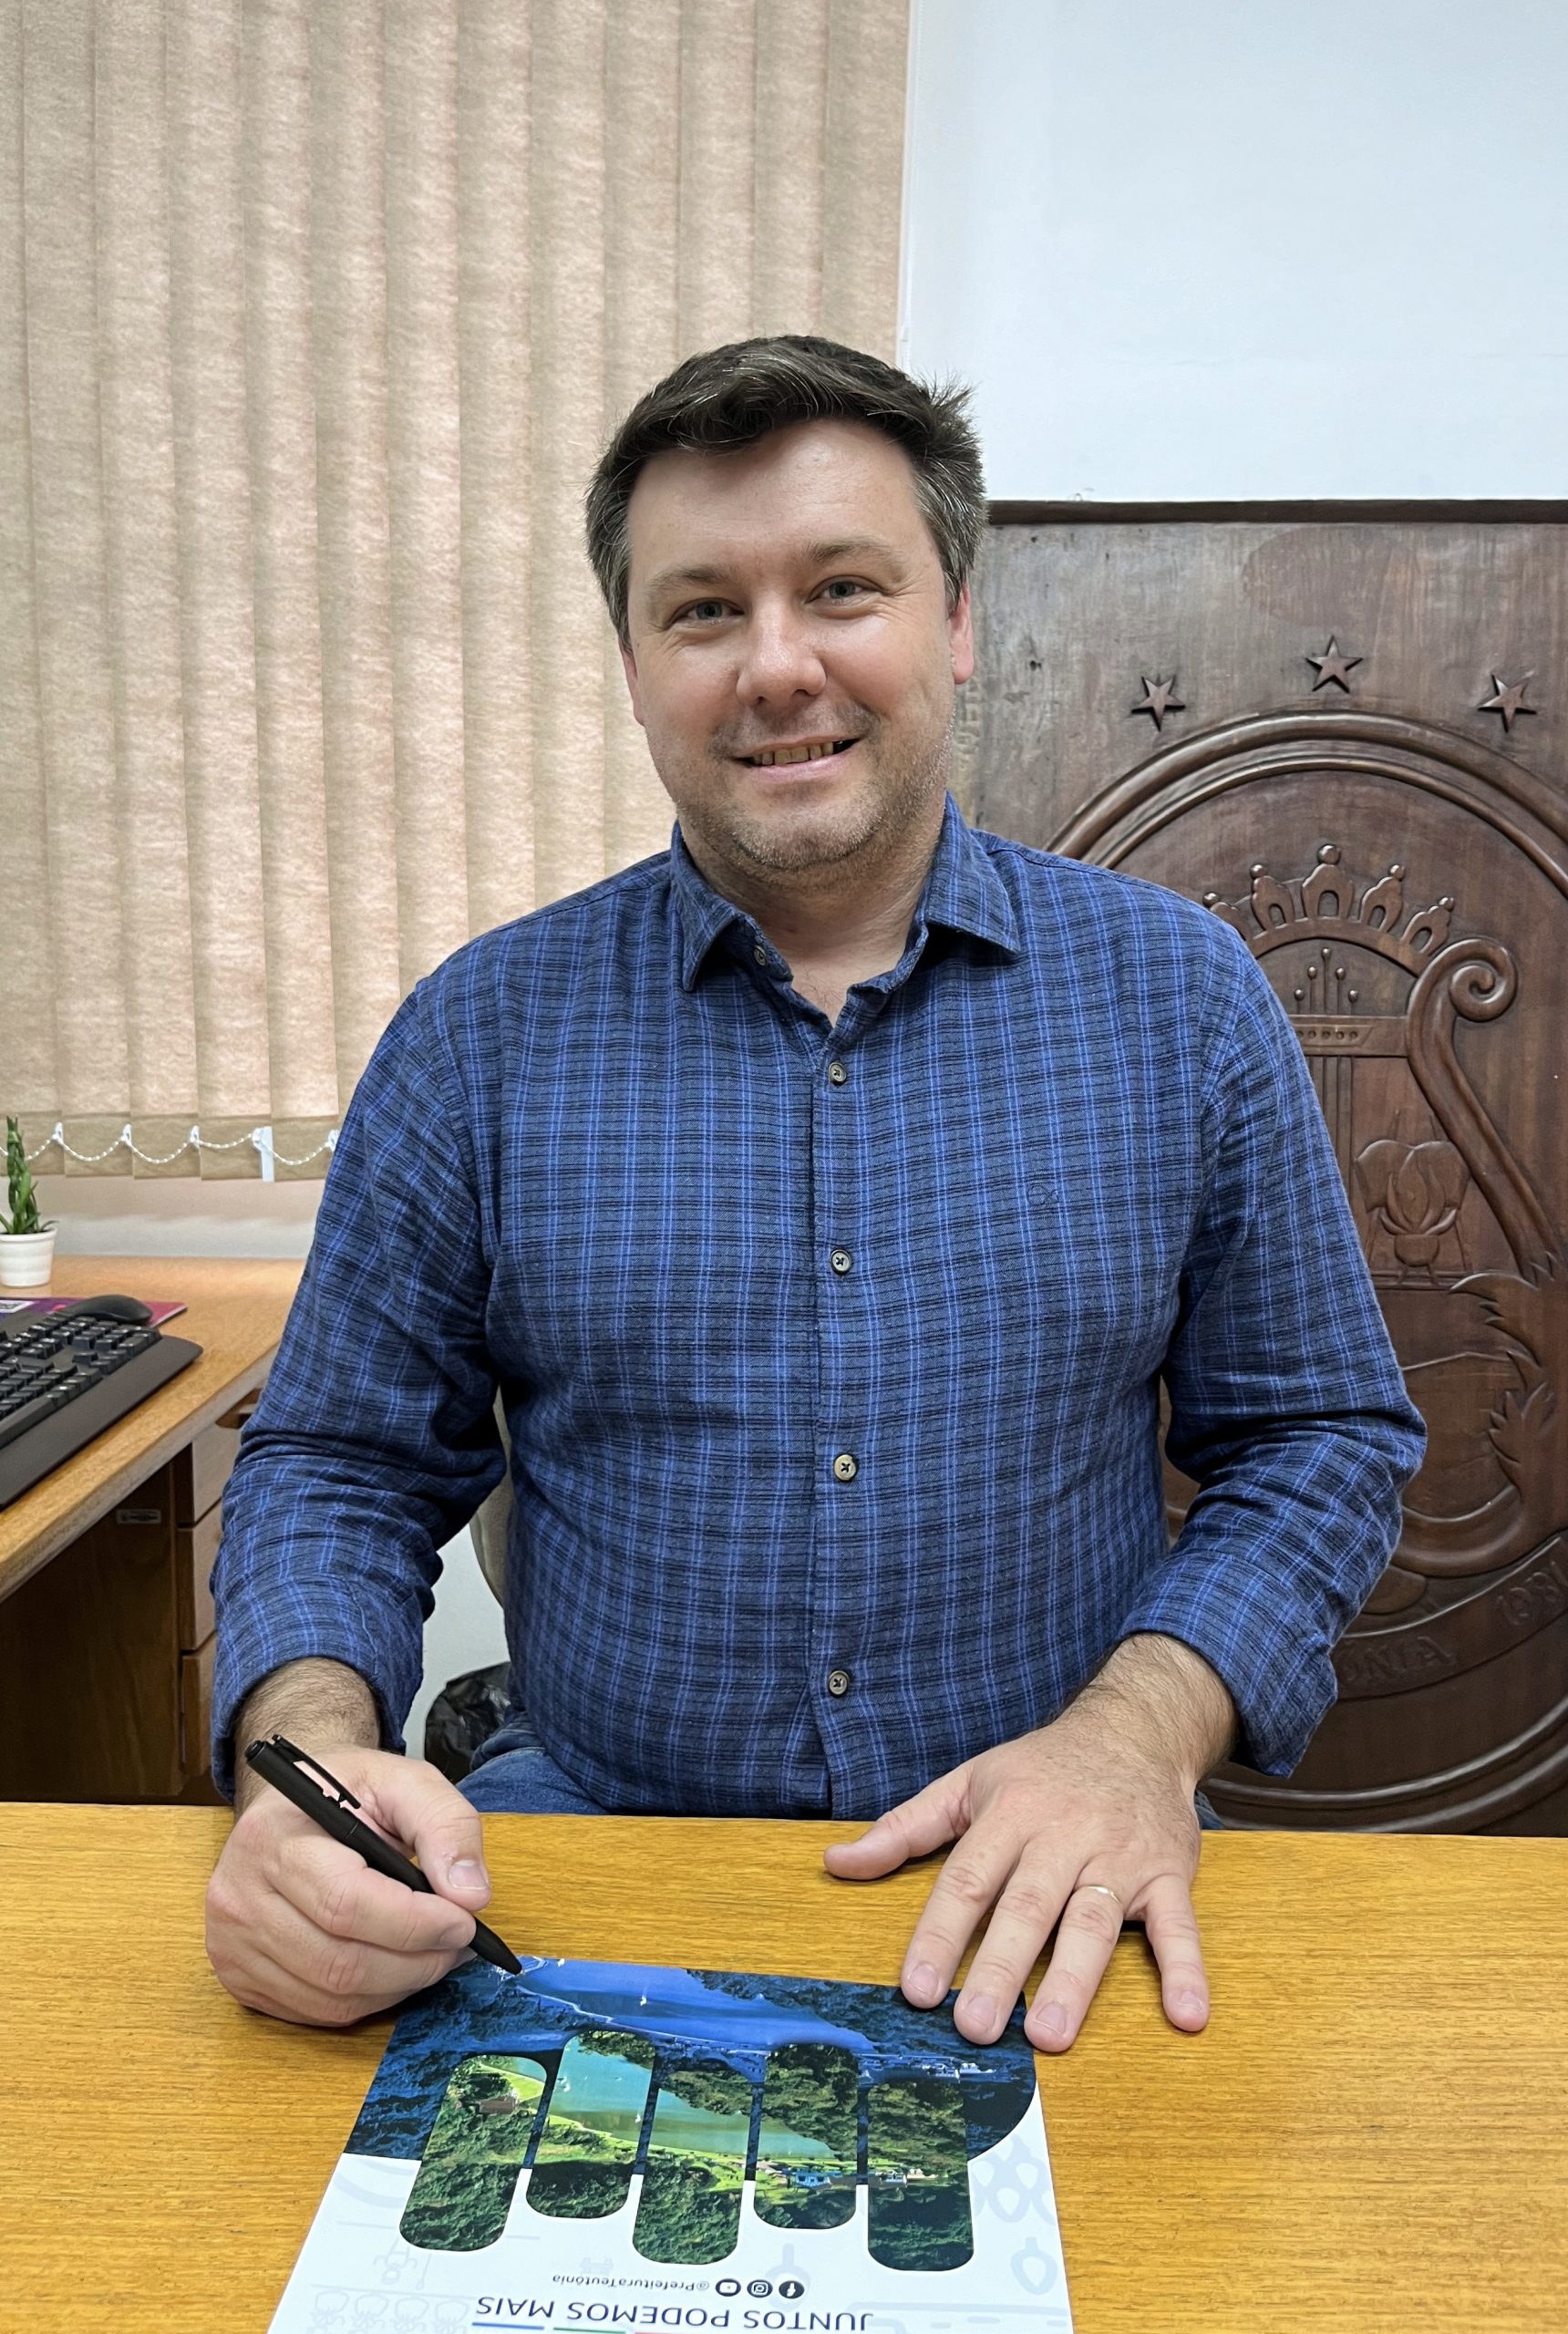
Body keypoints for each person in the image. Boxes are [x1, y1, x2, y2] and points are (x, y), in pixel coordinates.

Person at [205, 336, 1424, 2050]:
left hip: (1061, 1867)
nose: (779, 667)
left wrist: (1141, 1734)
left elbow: (1319, 1435)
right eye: (704, 609)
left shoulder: (1183, 1002)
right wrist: (311, 1756)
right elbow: (340, 1462)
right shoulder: (479, 1034)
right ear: (634, 664)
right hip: (586, 1866)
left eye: (843, 589)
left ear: (958, 620)